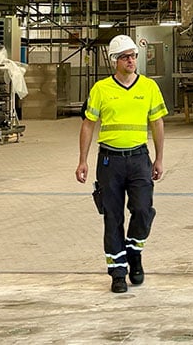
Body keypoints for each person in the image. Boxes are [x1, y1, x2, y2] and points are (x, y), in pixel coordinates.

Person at [76, 34, 167, 293]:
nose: (131, 60)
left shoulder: (149, 87)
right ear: (115, 60)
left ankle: (134, 252)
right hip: (109, 161)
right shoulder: (101, 89)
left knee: (142, 210)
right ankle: (118, 271)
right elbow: (88, 125)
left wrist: (159, 157)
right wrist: (82, 160)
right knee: (112, 216)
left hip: (139, 158)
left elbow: (157, 123)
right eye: (126, 57)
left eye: (134, 56)